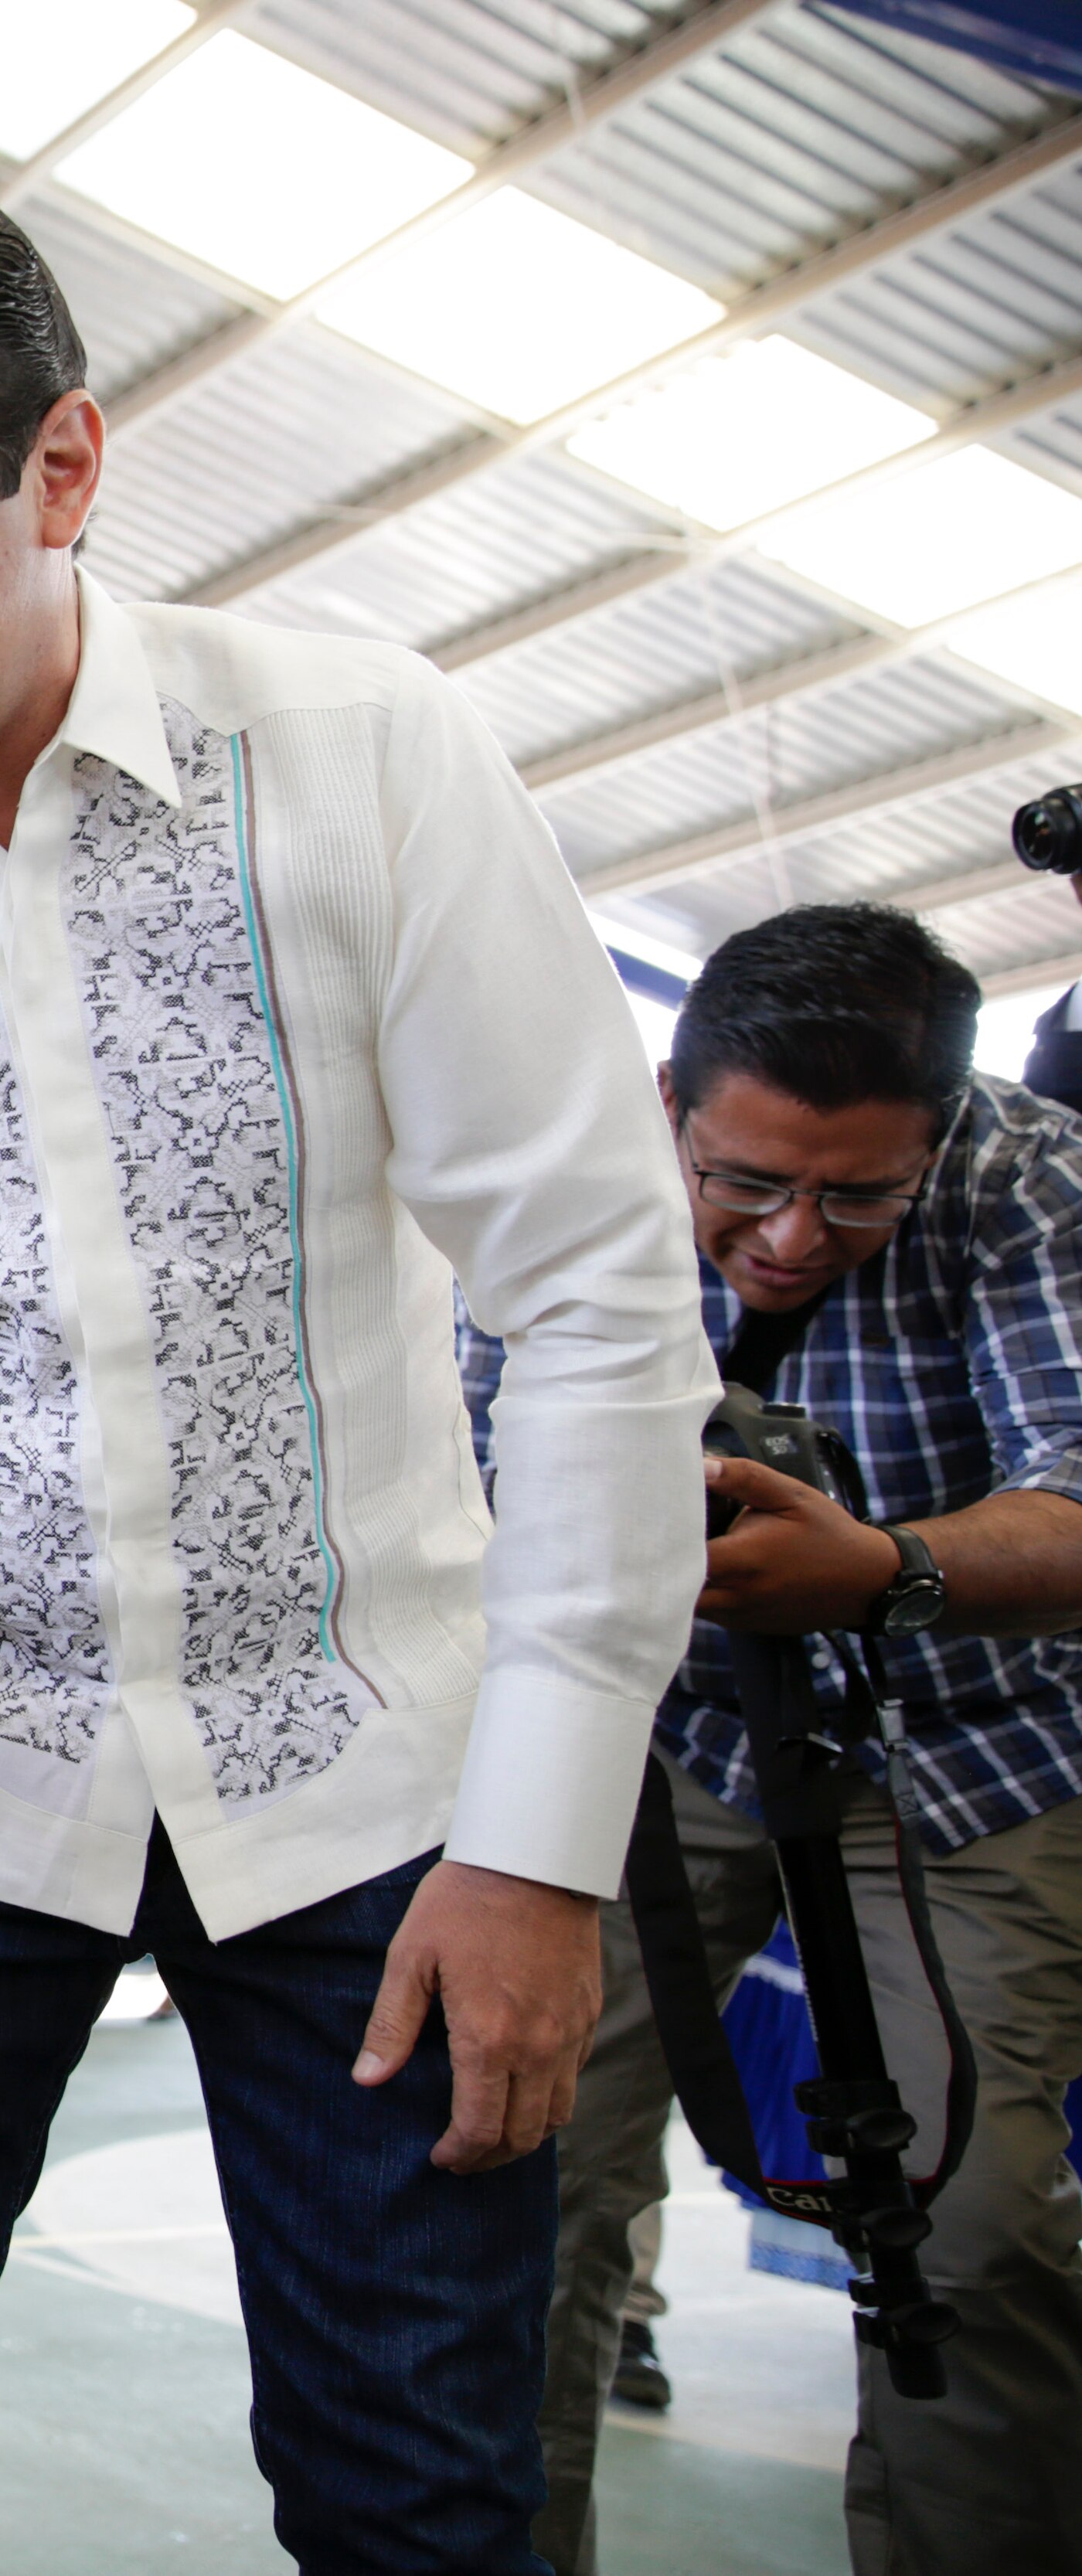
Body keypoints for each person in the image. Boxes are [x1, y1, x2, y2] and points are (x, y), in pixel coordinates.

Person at [0, 173, 715, 2574]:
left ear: (57, 472)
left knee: (416, 2488)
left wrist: (531, 1840)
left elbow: (592, 1297)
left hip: (369, 1779)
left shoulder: (364, 759)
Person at [478, 907, 1082, 2575]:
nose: (794, 1236)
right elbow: (456, 1464)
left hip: (973, 1753)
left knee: (969, 2228)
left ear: (942, 1134)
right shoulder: (559, 1176)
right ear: (671, 1097)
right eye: (743, 1180)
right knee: (511, 2183)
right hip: (650, 1734)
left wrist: (888, 1569)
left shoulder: (1037, 1184)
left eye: (857, 1194)